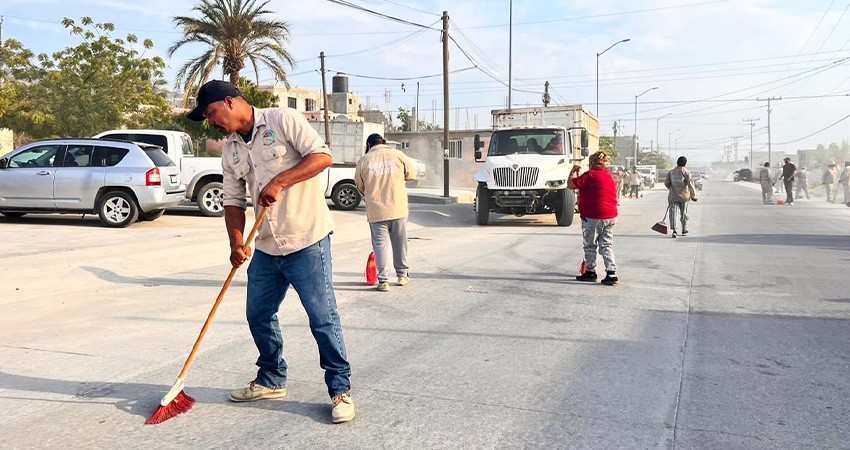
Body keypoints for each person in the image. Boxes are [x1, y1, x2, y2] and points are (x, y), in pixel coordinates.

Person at [187, 80, 355, 423]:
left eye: (211, 112)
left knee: (322, 318)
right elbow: (232, 200)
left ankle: (340, 390)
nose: (211, 121)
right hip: (265, 245)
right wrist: (236, 242)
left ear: (230, 102)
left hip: (307, 238)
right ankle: (271, 378)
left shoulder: (282, 120)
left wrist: (279, 181)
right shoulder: (230, 149)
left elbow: (323, 157)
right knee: (258, 315)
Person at [354, 133, 416, 292]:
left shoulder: (364, 160)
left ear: (368, 145)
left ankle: (383, 281)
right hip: (398, 208)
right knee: (400, 242)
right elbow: (411, 174)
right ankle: (402, 275)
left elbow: (359, 185)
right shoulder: (398, 155)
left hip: (376, 211)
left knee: (380, 245)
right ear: (384, 143)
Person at [568, 151, 619, 286]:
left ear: (591, 163)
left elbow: (570, 185)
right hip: (610, 215)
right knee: (606, 244)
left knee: (590, 245)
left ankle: (591, 272)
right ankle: (611, 273)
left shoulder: (590, 175)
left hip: (593, 216)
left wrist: (572, 172)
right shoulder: (608, 176)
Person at [664, 156, 698, 238]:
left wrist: (672, 189)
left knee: (673, 213)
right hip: (684, 196)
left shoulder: (671, 172)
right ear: (685, 163)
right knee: (684, 214)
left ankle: (674, 231)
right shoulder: (686, 172)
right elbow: (690, 184)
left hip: (673, 196)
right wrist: (694, 195)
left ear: (677, 162)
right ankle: (684, 229)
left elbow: (666, 183)